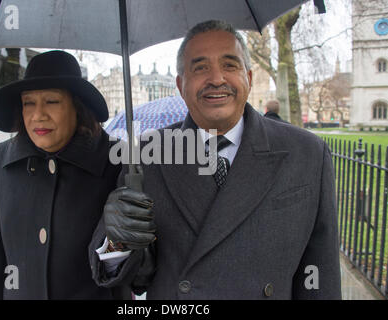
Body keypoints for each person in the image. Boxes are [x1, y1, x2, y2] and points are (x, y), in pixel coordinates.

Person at [90, 20, 342, 299]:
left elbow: (320, 271)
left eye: (230, 65)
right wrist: (118, 242)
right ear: (180, 84)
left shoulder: (306, 153)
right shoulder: (146, 153)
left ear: (249, 76)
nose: (217, 78)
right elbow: (132, 275)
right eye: (200, 68)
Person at [0, 50, 122, 299]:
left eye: (51, 101)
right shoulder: (3, 158)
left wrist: (129, 240)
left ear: (77, 107)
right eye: (28, 103)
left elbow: (126, 268)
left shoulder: (115, 160)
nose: (38, 115)